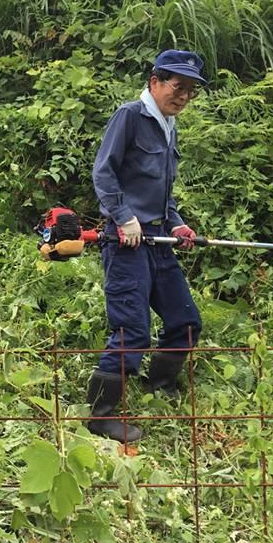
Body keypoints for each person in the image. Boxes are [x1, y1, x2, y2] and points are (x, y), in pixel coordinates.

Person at [87, 50, 205, 443]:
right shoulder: (130, 116)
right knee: (132, 330)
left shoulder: (168, 124)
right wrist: (122, 217)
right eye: (178, 87)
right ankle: (101, 415)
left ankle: (159, 384)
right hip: (127, 244)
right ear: (155, 81)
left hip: (159, 241)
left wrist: (178, 223)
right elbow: (104, 171)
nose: (184, 96)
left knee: (185, 321)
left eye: (190, 90)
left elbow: (162, 192)